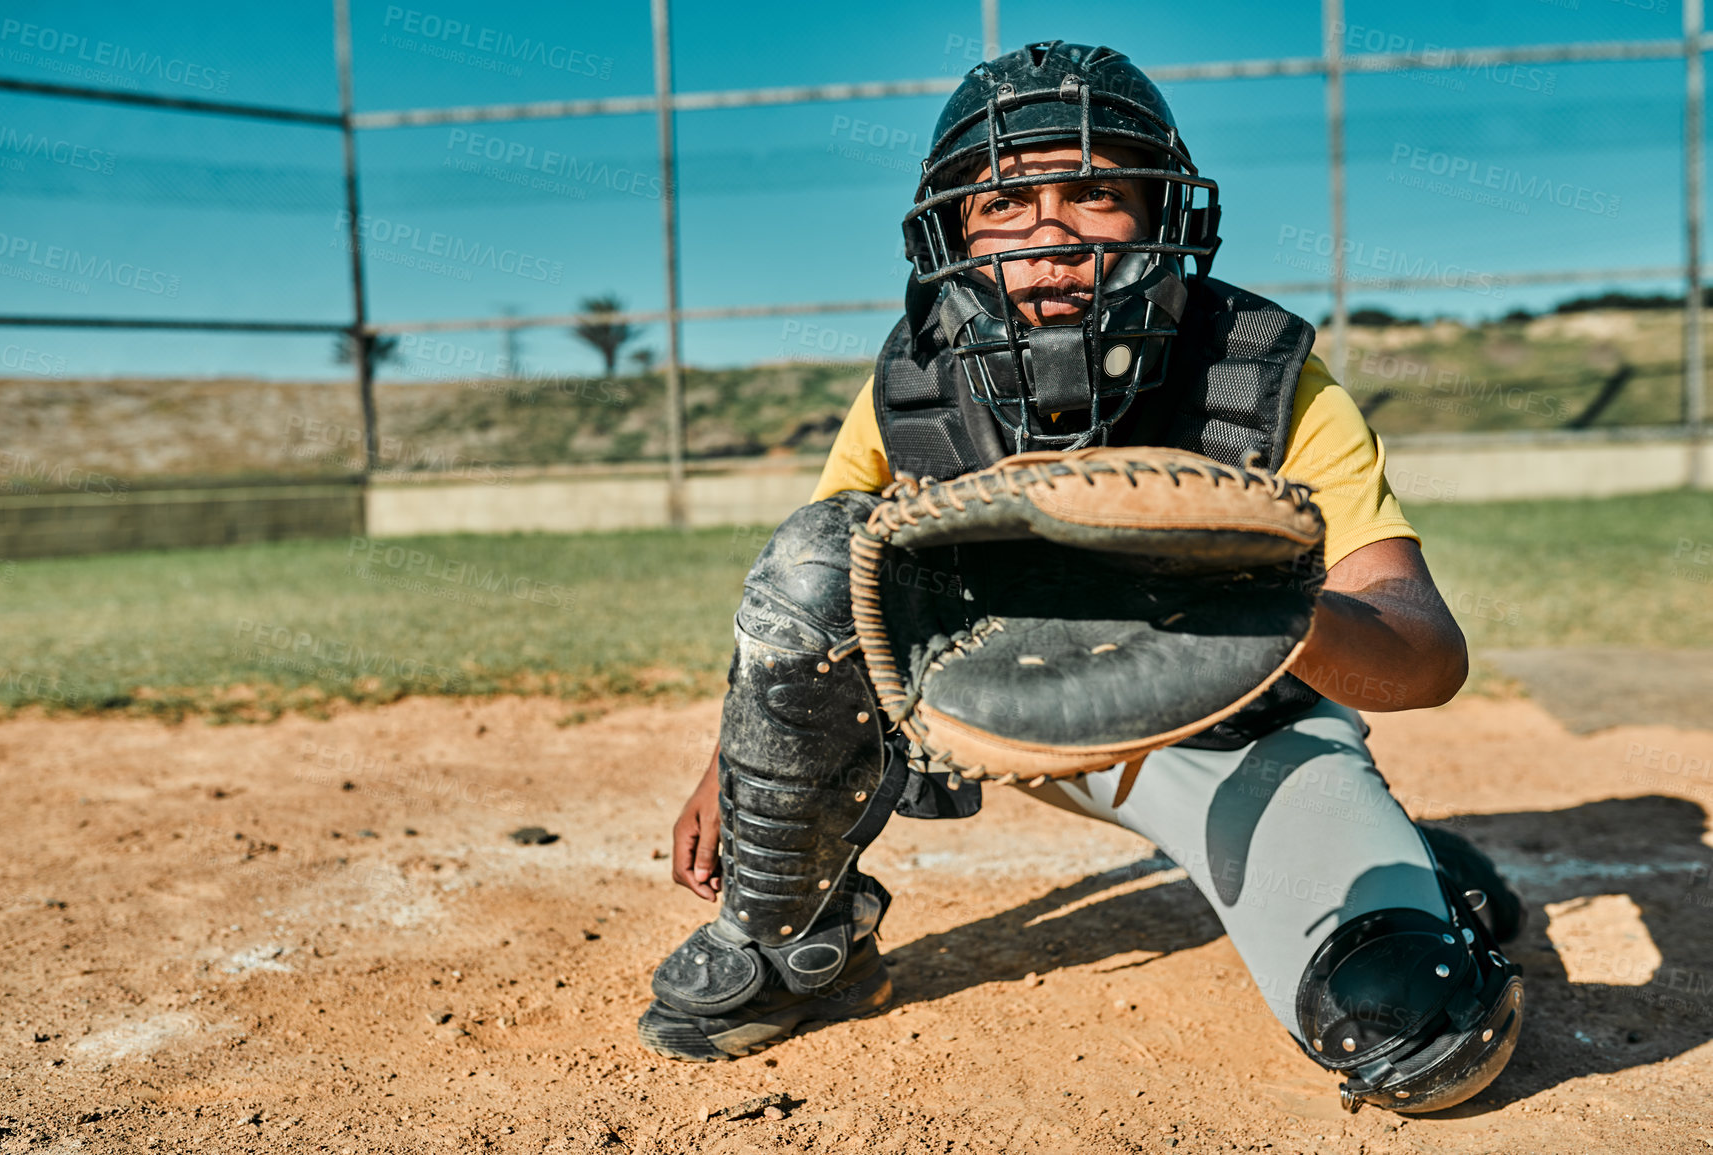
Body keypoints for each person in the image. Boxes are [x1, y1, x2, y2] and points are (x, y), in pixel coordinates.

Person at [638, 41, 1525, 1114]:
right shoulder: (916, 379)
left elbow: (1424, 655)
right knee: (826, 555)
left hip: (1225, 736)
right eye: (1003, 204)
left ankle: (1398, 870)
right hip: (992, 712)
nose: (1048, 239)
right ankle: (792, 944)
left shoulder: (1261, 373)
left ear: (1164, 213)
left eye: (1094, 194)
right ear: (951, 234)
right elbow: (814, 594)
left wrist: (1265, 608)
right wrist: (732, 770)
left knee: (1411, 1026)